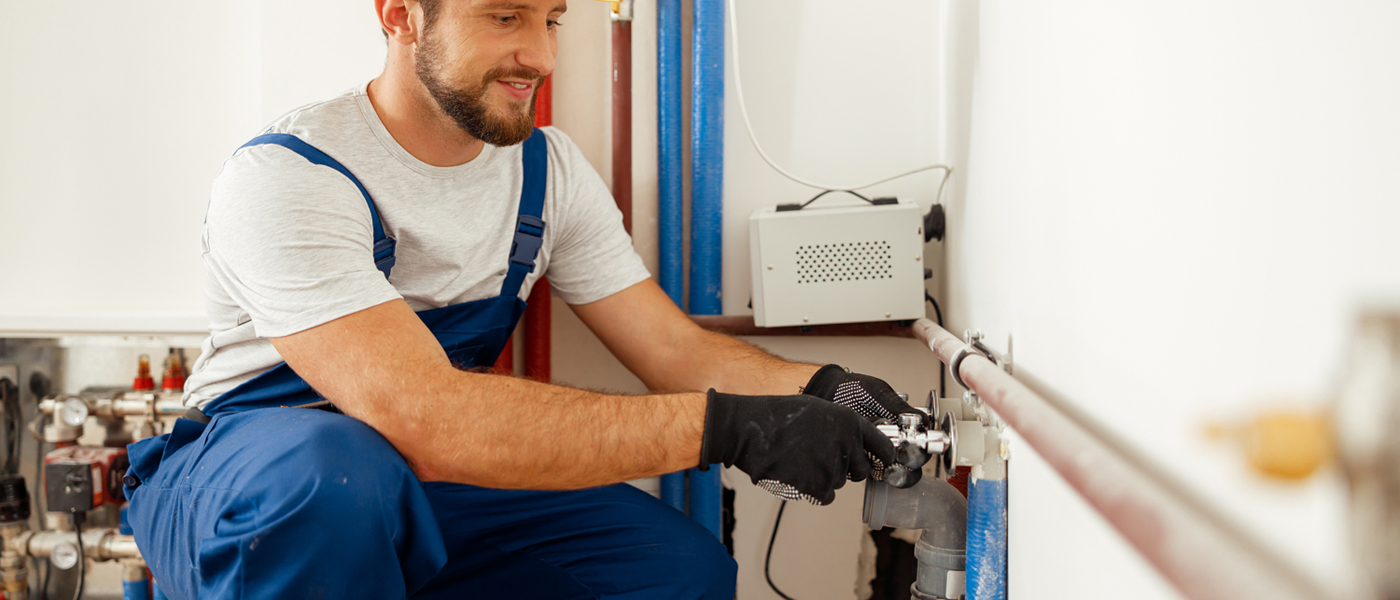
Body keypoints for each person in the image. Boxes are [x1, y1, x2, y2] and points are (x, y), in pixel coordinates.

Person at [122, 0, 923, 598]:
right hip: (247, 477)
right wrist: (728, 427)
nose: (537, 54)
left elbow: (674, 351)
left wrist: (820, 388)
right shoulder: (291, 176)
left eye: (552, 20)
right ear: (401, 15)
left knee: (676, 571)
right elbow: (423, 418)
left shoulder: (549, 173)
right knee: (332, 478)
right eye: (505, 16)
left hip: (415, 474)